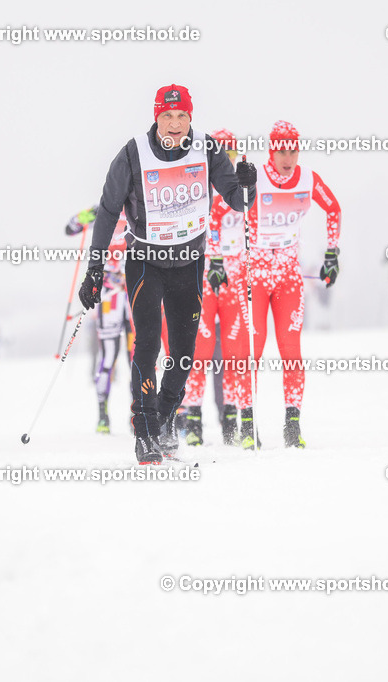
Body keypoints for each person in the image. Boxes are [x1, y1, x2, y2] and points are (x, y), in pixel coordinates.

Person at [77, 84, 256, 464]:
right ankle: (144, 431)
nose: (174, 125)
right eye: (166, 117)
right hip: (145, 261)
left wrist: (247, 182)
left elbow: (237, 202)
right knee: (147, 344)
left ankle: (163, 418)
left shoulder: (207, 149)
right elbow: (108, 211)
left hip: (189, 261)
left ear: (190, 118)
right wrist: (95, 268)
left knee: (184, 353)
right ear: (156, 118)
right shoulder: (132, 154)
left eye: (181, 117)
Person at [233, 120, 342, 448]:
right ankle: (247, 423)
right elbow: (228, 208)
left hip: (288, 277)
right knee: (252, 349)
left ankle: (292, 424)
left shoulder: (307, 179)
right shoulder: (257, 177)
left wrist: (332, 254)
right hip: (255, 274)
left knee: (291, 351)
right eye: (281, 149)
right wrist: (240, 184)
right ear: (271, 150)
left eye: (293, 149)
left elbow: (333, 208)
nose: (288, 157)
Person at [179, 129, 250, 447]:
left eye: (233, 154)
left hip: (235, 281)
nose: (228, 161)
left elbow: (257, 227)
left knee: (235, 353)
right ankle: (192, 419)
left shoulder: (242, 192)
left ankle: (232, 419)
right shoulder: (201, 190)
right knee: (200, 352)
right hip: (205, 277)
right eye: (224, 155)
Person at [67, 207, 131, 434]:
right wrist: (88, 216)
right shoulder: (104, 211)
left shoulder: (140, 206)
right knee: (108, 357)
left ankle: (137, 414)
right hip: (110, 295)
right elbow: (70, 227)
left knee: (138, 357)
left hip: (135, 292)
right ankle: (103, 415)